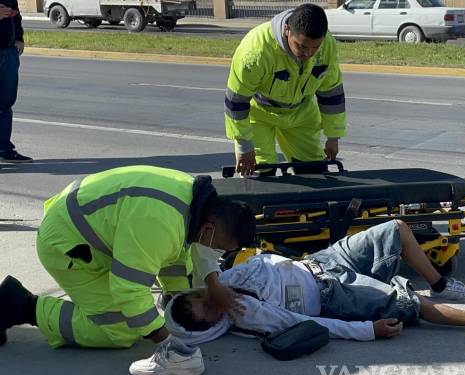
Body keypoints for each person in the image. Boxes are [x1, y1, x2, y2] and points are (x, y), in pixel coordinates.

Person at [129, 220, 465, 375]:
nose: (212, 299)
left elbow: (207, 252)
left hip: (324, 261)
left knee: (395, 229)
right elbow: (312, 324)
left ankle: (442, 284)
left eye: (202, 295)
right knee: (409, 303)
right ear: (211, 323)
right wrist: (368, 331)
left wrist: (213, 283)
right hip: (334, 295)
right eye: (208, 308)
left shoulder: (222, 281)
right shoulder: (248, 316)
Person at [0, 165, 256, 352]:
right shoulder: (159, 224)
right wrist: (167, 342)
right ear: (209, 229)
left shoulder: (190, 199)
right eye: (219, 247)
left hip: (82, 226)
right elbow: (128, 290)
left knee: (168, 265)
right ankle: (21, 306)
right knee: (120, 329)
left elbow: (174, 256)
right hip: (66, 247)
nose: (216, 252)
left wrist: (176, 296)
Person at [224, 3, 346, 176]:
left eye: (315, 47)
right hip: (259, 114)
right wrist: (244, 145)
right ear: (287, 30)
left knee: (314, 171)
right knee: (262, 173)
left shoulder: (327, 45)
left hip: (301, 113)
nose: (308, 53)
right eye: (302, 46)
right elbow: (236, 101)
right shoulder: (255, 51)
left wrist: (333, 136)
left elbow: (332, 94)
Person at [0, 0, 32, 163]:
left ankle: (4, 149)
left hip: (8, 51)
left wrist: (19, 38)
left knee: (5, 104)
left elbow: (15, 13)